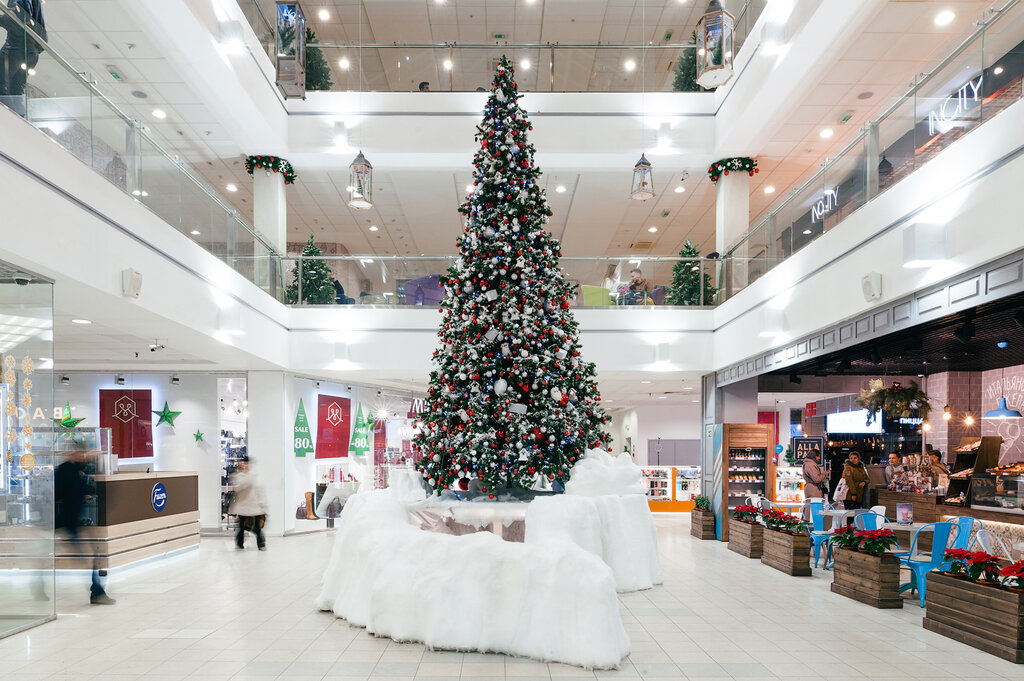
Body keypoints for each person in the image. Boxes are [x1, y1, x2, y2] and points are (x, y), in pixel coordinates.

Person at [54, 442, 115, 604]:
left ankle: (97, 591)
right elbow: (58, 494)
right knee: (88, 557)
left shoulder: (79, 469)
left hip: (78, 521)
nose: (84, 456)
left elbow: (88, 489)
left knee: (90, 556)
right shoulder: (65, 471)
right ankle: (97, 592)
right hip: (69, 522)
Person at [0, 0, 46, 101]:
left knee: (2, 81)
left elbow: (18, 18)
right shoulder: (36, 3)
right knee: (16, 86)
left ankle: (6, 109)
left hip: (16, 48)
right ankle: (18, 114)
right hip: (33, 53)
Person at [229, 458, 267, 550]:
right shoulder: (238, 476)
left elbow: (259, 490)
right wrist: (249, 476)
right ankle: (239, 543)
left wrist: (262, 503)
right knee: (241, 527)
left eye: (247, 463)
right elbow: (238, 487)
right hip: (243, 506)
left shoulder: (254, 476)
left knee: (257, 527)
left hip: (254, 506)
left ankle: (261, 544)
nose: (245, 465)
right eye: (244, 463)